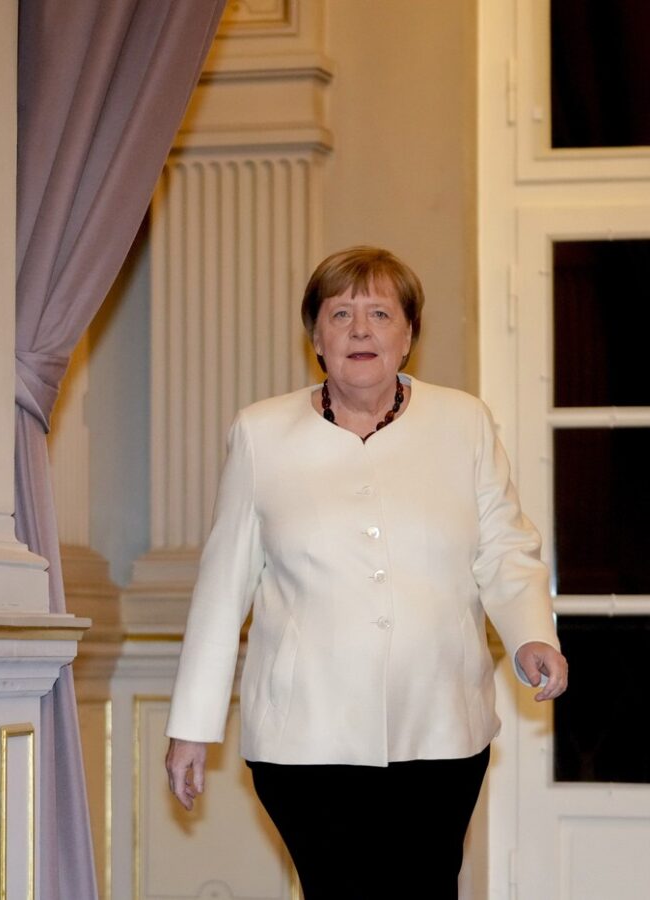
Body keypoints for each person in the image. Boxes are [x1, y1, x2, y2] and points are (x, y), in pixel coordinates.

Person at [163, 246, 567, 898]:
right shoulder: (261, 433)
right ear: (315, 337)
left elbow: (503, 546)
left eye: (380, 313)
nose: (360, 329)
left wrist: (531, 634)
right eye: (340, 313)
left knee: (426, 887)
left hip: (441, 721)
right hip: (305, 734)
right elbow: (222, 587)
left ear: (407, 336)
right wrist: (192, 726)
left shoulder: (464, 421)